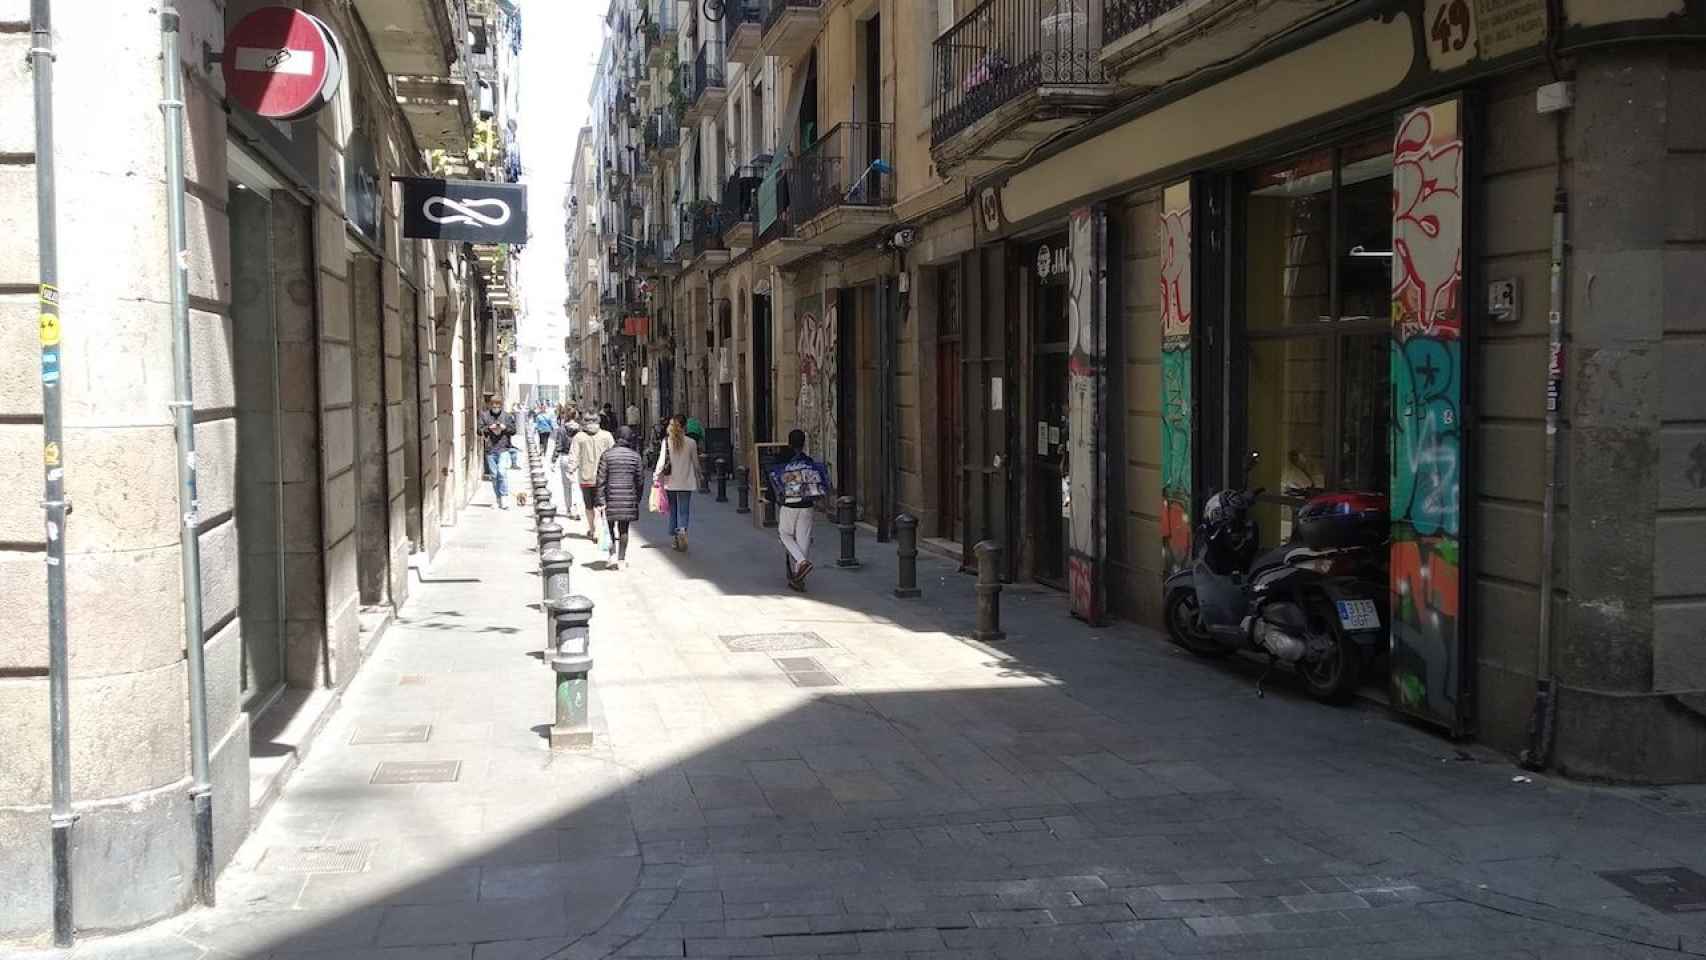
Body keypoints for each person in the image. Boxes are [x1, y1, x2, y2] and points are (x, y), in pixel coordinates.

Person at [768, 428, 831, 591]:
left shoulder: (782, 460)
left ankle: (801, 563)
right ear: (803, 444)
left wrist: (771, 498)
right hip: (807, 504)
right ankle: (798, 578)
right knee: (803, 539)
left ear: (789, 442)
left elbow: (774, 480)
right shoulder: (808, 461)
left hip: (789, 503)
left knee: (784, 534)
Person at [595, 427, 646, 570]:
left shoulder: (607, 455)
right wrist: (637, 499)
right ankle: (622, 560)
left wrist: (600, 500)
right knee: (624, 529)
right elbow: (640, 480)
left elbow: (600, 479)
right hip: (628, 498)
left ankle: (612, 556)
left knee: (609, 527)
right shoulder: (635, 456)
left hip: (610, 497)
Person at [654, 413, 701, 552]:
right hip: (686, 482)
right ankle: (682, 530)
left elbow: (661, 462)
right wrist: (700, 475)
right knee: (684, 510)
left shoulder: (667, 441)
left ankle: (675, 539)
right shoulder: (691, 442)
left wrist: (656, 477)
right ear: (685, 426)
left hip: (670, 482)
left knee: (673, 510)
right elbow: (696, 462)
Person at [568, 418, 614, 539]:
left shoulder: (579, 437)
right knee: (603, 504)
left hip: (586, 477)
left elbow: (574, 455)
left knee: (589, 506)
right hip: (604, 477)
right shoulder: (607, 436)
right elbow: (613, 453)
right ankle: (605, 530)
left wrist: (571, 469)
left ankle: (593, 530)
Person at [478, 396, 516, 509]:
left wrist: (504, 428)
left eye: (497, 406)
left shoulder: (507, 416)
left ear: (501, 405)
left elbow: (513, 430)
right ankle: (498, 498)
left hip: (503, 448)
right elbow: (479, 430)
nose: (495, 408)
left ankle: (504, 496)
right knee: (494, 476)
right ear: (490, 405)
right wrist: (489, 428)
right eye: (493, 406)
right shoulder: (484, 415)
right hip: (490, 449)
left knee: (502, 472)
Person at [553, 414, 583, 520]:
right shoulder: (580, 430)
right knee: (576, 486)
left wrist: (553, 460)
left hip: (565, 458)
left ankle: (569, 509)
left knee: (566, 486)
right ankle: (576, 509)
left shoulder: (561, 430)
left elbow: (558, 445)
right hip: (577, 458)